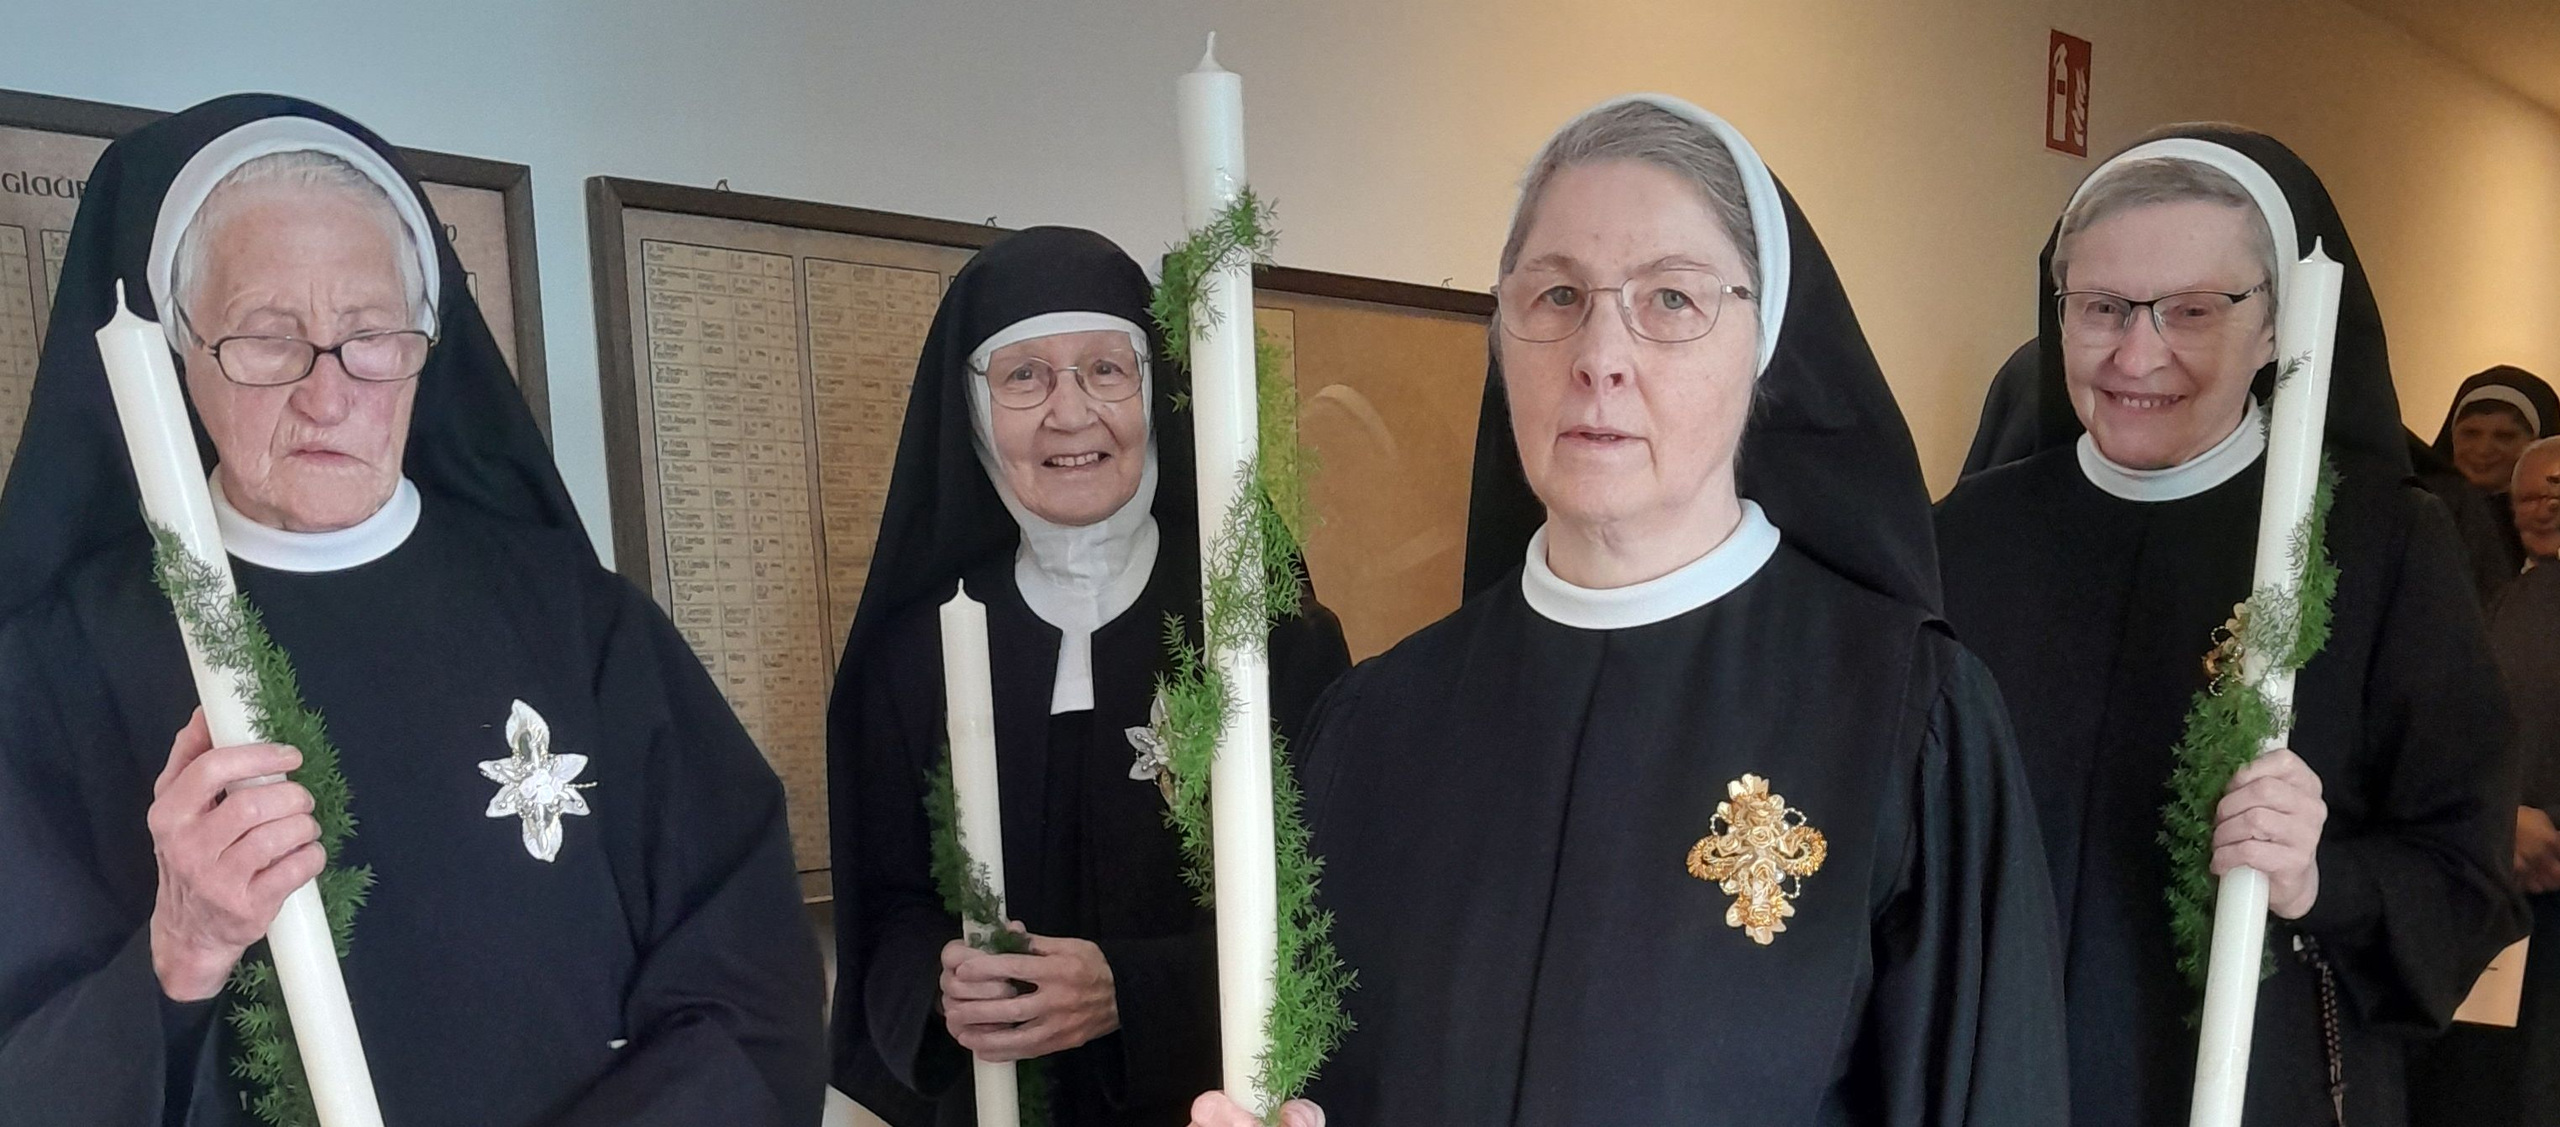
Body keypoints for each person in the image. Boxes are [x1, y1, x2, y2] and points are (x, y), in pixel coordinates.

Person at [1200, 94, 2069, 1127]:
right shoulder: (1373, 721)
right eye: (1557, 294)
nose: (1597, 354)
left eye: (1670, 300)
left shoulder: (1903, 715)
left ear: (1765, 344)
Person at [0, 95, 825, 1125]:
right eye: (266, 337)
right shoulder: (58, 662)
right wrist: (183, 946)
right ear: (180, 354)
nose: (327, 390)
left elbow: (750, 989)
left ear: (427, 345)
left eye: (370, 334)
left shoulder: (580, 621)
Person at [1935, 125, 2525, 1127]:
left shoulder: (2383, 543)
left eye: (2192, 310)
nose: (2137, 351)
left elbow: (2464, 879)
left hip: (2259, 1082)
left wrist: (2316, 873)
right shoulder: (1963, 536)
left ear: (2276, 327)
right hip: (1989, 1072)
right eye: (2102, 307)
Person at [827, 227, 1350, 1126]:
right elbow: (891, 906)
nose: (1070, 414)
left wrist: (1128, 991)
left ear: (1157, 393)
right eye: (1024, 376)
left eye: (1106, 370)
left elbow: (1330, 905)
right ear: (974, 411)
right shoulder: (913, 656)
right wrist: (942, 985)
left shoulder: (1267, 633)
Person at [2434, 367, 2560, 576]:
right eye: (2470, 433)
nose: (2483, 449)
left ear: (2536, 445)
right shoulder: (2422, 511)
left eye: (2504, 436)